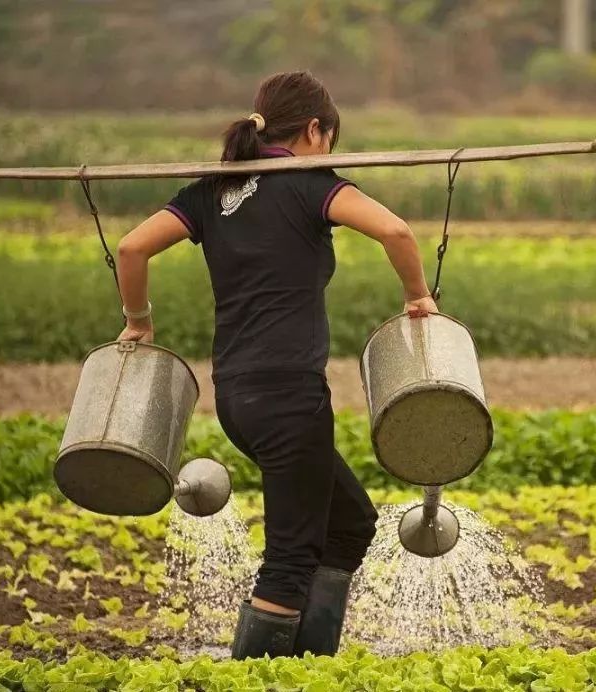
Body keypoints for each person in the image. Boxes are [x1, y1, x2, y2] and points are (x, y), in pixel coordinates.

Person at [112, 70, 439, 659]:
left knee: (349, 526)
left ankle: (310, 663)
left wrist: (139, 321)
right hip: (290, 399)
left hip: (238, 397)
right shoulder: (312, 185)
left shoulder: (213, 190)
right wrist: (418, 296)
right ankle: (258, 674)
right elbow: (395, 230)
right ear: (315, 130)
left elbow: (132, 248)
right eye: (330, 139)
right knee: (289, 558)